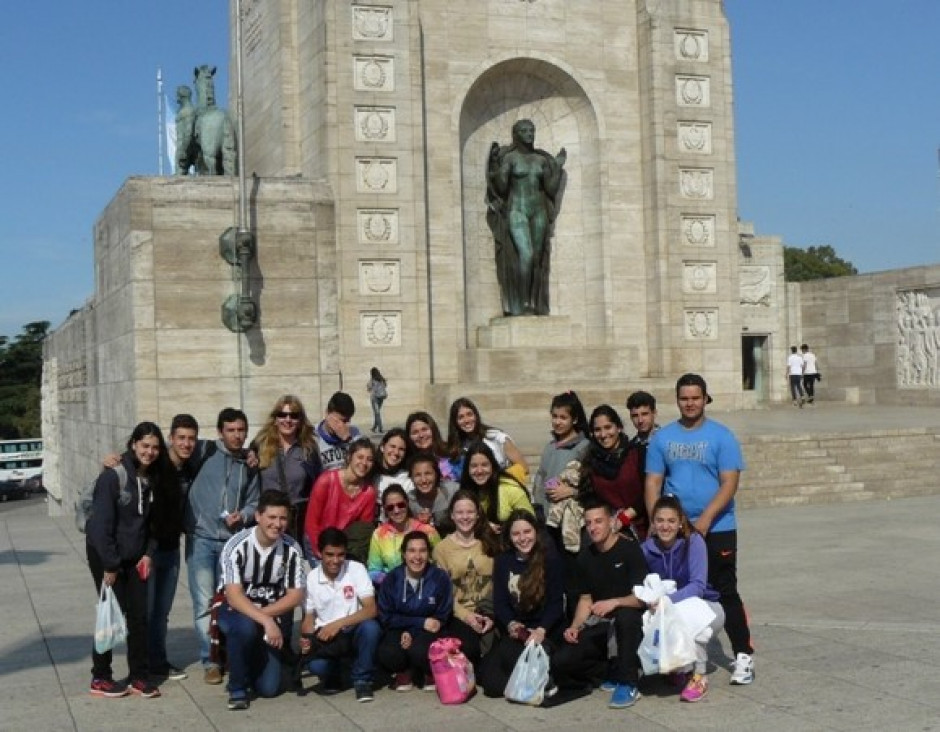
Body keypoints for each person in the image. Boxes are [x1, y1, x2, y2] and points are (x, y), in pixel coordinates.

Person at [644, 373, 755, 685]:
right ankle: (681, 658)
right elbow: (652, 482)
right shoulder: (663, 438)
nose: (690, 403)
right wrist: (659, 521)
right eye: (684, 398)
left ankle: (744, 655)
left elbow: (730, 482)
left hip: (717, 526)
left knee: (724, 590)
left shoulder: (722, 436)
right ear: (677, 400)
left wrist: (705, 519)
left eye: (695, 397)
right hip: (675, 530)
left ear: (706, 398)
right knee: (676, 590)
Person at [86, 422, 171, 698]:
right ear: (133, 444)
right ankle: (100, 676)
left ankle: (139, 676)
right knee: (110, 615)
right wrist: (110, 565)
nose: (150, 452)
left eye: (155, 447)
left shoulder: (153, 476)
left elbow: (152, 523)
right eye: (145, 445)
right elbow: (100, 526)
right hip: (107, 557)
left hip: (136, 557)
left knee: (138, 618)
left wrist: (148, 553)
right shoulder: (114, 476)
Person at [184, 407, 260, 685]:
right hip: (202, 539)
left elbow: (255, 500)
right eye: (231, 430)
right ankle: (210, 660)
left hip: (232, 542)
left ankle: (230, 653)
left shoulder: (249, 464)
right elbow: (167, 452)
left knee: (232, 600)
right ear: (220, 432)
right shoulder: (203, 451)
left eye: (241, 430)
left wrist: (246, 515)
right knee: (203, 601)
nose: (237, 435)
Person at [552, 498, 649, 709]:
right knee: (562, 660)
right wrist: (575, 626)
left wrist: (614, 602)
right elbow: (585, 600)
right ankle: (610, 669)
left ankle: (628, 681)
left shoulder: (629, 550)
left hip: (632, 620)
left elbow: (642, 598)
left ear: (611, 521)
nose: (594, 527)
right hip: (602, 624)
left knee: (625, 616)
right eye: (589, 523)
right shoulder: (585, 557)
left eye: (599, 521)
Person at [217, 490, 306, 710]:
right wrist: (266, 621)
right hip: (235, 611)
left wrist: (265, 617)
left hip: (270, 612)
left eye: (283, 518)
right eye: (272, 517)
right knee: (246, 628)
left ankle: (250, 663)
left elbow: (296, 595)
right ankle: (237, 687)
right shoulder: (236, 546)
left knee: (269, 689)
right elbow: (234, 596)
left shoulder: (292, 549)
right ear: (258, 516)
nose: (277, 524)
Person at [641, 495, 725, 703]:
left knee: (694, 625)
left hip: (706, 608)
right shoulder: (647, 549)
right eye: (660, 520)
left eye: (671, 521)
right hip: (666, 610)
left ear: (680, 523)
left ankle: (699, 675)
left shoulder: (694, 542)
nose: (665, 526)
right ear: (653, 523)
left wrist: (667, 600)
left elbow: (698, 586)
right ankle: (677, 666)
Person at [478, 509, 565, 698]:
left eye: (527, 532)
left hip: (545, 631)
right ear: (509, 537)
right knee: (491, 685)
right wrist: (511, 623)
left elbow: (556, 603)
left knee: (511, 674)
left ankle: (544, 676)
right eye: (516, 534)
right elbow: (500, 602)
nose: (522, 538)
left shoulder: (550, 559)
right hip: (519, 631)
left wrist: (542, 630)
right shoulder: (503, 561)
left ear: (536, 532)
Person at [486, 118, 566, 316]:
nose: (530, 133)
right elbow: (502, 188)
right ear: (516, 134)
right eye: (524, 130)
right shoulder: (511, 159)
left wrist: (556, 167)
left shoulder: (541, 160)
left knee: (537, 258)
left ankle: (533, 301)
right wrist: (496, 165)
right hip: (517, 211)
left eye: (532, 130)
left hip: (538, 211)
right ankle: (522, 302)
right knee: (527, 255)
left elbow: (550, 188)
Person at [300, 527, 381, 702]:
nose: (335, 560)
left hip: (353, 632)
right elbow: (308, 618)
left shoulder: (356, 569)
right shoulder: (312, 578)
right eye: (329, 554)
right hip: (327, 638)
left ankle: (362, 680)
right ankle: (337, 673)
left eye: (340, 555)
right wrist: (306, 639)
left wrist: (337, 624)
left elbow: (370, 609)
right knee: (316, 666)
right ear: (319, 553)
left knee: (371, 628)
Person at [146, 414, 196, 681]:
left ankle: (158, 662)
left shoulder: (190, 466)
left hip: (171, 549)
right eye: (181, 438)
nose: (186, 444)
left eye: (191, 439)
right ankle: (143, 666)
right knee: (147, 610)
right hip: (148, 550)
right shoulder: (155, 463)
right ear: (171, 439)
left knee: (161, 612)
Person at [376, 531, 454, 691]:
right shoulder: (392, 579)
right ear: (404, 554)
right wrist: (410, 627)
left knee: (419, 651)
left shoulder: (439, 578)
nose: (417, 556)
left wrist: (415, 631)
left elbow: (442, 614)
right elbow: (385, 615)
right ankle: (404, 671)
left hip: (430, 630)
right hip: (400, 629)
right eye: (411, 551)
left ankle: (427, 671)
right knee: (388, 652)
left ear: (428, 553)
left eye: (422, 550)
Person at [432, 490, 499, 666]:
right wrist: (467, 616)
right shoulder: (442, 549)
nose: (465, 517)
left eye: (470, 512)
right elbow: (443, 593)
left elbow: (499, 581)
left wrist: (489, 614)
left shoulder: (490, 541)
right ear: (452, 516)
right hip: (460, 613)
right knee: (470, 649)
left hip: (490, 611)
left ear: (477, 514)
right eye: (460, 512)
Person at [250, 395, 322, 546]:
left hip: (297, 521)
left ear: (300, 420)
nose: (287, 420)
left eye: (294, 416)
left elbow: (317, 485)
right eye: (282, 415)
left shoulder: (308, 449)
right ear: (275, 419)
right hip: (268, 520)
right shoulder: (260, 445)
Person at [304, 437, 377, 563]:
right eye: (360, 457)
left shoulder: (368, 493)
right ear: (349, 457)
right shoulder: (327, 480)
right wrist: (321, 553)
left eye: (369, 460)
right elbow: (311, 522)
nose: (364, 463)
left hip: (343, 549)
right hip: (317, 543)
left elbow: (361, 531)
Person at [581, 405, 648, 539]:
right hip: (609, 533)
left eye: (608, 427)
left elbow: (649, 491)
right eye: (597, 430)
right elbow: (590, 498)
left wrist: (625, 517)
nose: (603, 434)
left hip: (643, 530)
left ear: (619, 427)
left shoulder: (637, 454)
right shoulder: (591, 461)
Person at [531, 390, 590, 523]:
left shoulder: (583, 447)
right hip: (547, 517)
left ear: (574, 419)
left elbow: (593, 485)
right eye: (554, 416)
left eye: (563, 418)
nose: (557, 422)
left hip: (572, 520)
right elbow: (542, 477)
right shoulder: (550, 447)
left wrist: (571, 491)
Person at [444, 397, 529, 483]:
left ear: (475, 415)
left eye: (469, 414)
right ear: (455, 422)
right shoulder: (455, 448)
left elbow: (524, 468)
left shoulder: (498, 438)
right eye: (461, 417)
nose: (466, 420)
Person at [368, 484, 440, 584]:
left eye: (400, 505)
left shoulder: (428, 531)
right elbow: (373, 571)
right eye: (390, 507)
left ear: (407, 503)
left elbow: (440, 563)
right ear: (385, 509)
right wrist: (394, 582)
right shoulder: (379, 534)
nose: (396, 510)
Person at [459, 441, 534, 534]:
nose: (479, 471)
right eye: (474, 466)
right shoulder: (465, 490)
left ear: (492, 466)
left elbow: (530, 523)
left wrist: (504, 528)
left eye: (484, 465)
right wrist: (482, 526)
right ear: (467, 469)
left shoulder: (510, 489)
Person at [406, 452, 457, 529]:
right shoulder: (409, 501)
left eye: (428, 473)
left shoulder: (453, 491)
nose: (423, 480)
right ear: (411, 478)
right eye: (418, 475)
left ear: (436, 474)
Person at [374, 428, 414, 520]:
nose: (396, 452)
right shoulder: (371, 473)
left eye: (401, 449)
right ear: (382, 447)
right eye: (392, 446)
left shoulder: (408, 479)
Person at [404, 411, 457, 481]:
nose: (421, 435)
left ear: (433, 430)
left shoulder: (451, 453)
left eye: (424, 429)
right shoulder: (407, 464)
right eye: (415, 432)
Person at [315, 391, 362, 470]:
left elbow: (362, 464)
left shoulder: (354, 433)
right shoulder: (313, 435)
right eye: (342, 420)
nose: (345, 425)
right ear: (327, 413)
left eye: (348, 421)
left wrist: (349, 441)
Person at [366, 367, 388, 434]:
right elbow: (385, 385)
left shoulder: (372, 380)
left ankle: (380, 428)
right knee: (377, 413)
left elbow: (369, 387)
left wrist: (370, 388)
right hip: (381, 397)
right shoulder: (381, 379)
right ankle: (374, 428)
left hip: (374, 398)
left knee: (377, 413)